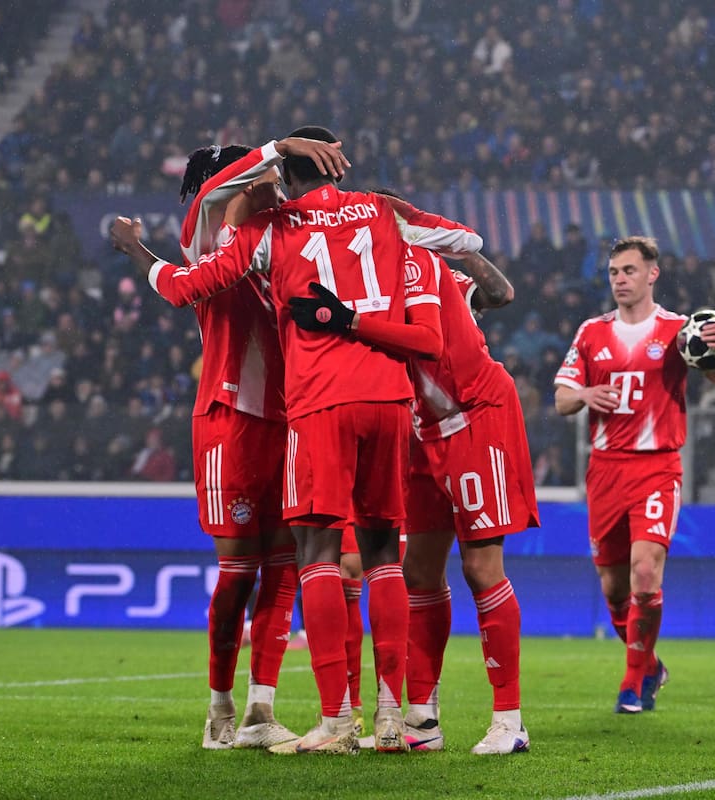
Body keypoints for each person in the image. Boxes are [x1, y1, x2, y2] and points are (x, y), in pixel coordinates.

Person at [111, 126, 483, 755]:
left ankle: (305, 716)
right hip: (295, 407)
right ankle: (260, 709)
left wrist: (279, 158)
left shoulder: (275, 230)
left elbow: (188, 281)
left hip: (307, 410)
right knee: (302, 565)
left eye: (268, 176)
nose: (260, 185)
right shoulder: (335, 219)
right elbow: (464, 241)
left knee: (304, 561)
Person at [152, 134, 348, 751]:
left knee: (283, 569)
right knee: (237, 574)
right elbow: (215, 193)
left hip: (288, 420)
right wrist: (274, 147)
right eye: (264, 180)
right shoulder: (207, 234)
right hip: (230, 415)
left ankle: (263, 710)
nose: (274, 186)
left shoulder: (276, 238)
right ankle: (219, 710)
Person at [309, 225, 536, 753]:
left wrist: (454, 242)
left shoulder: (417, 266)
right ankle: (422, 721)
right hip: (418, 432)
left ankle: (509, 720)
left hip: (475, 416)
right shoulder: (361, 283)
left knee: (481, 568)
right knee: (418, 573)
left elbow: (498, 295)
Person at [554, 235, 715, 713]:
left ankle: (631, 683)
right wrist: (583, 396)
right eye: (614, 272)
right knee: (614, 588)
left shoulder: (681, 332)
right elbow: (560, 400)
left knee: (646, 573)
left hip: (658, 467)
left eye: (629, 271)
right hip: (604, 471)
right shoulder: (590, 332)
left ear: (651, 274)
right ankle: (650, 665)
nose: (621, 280)